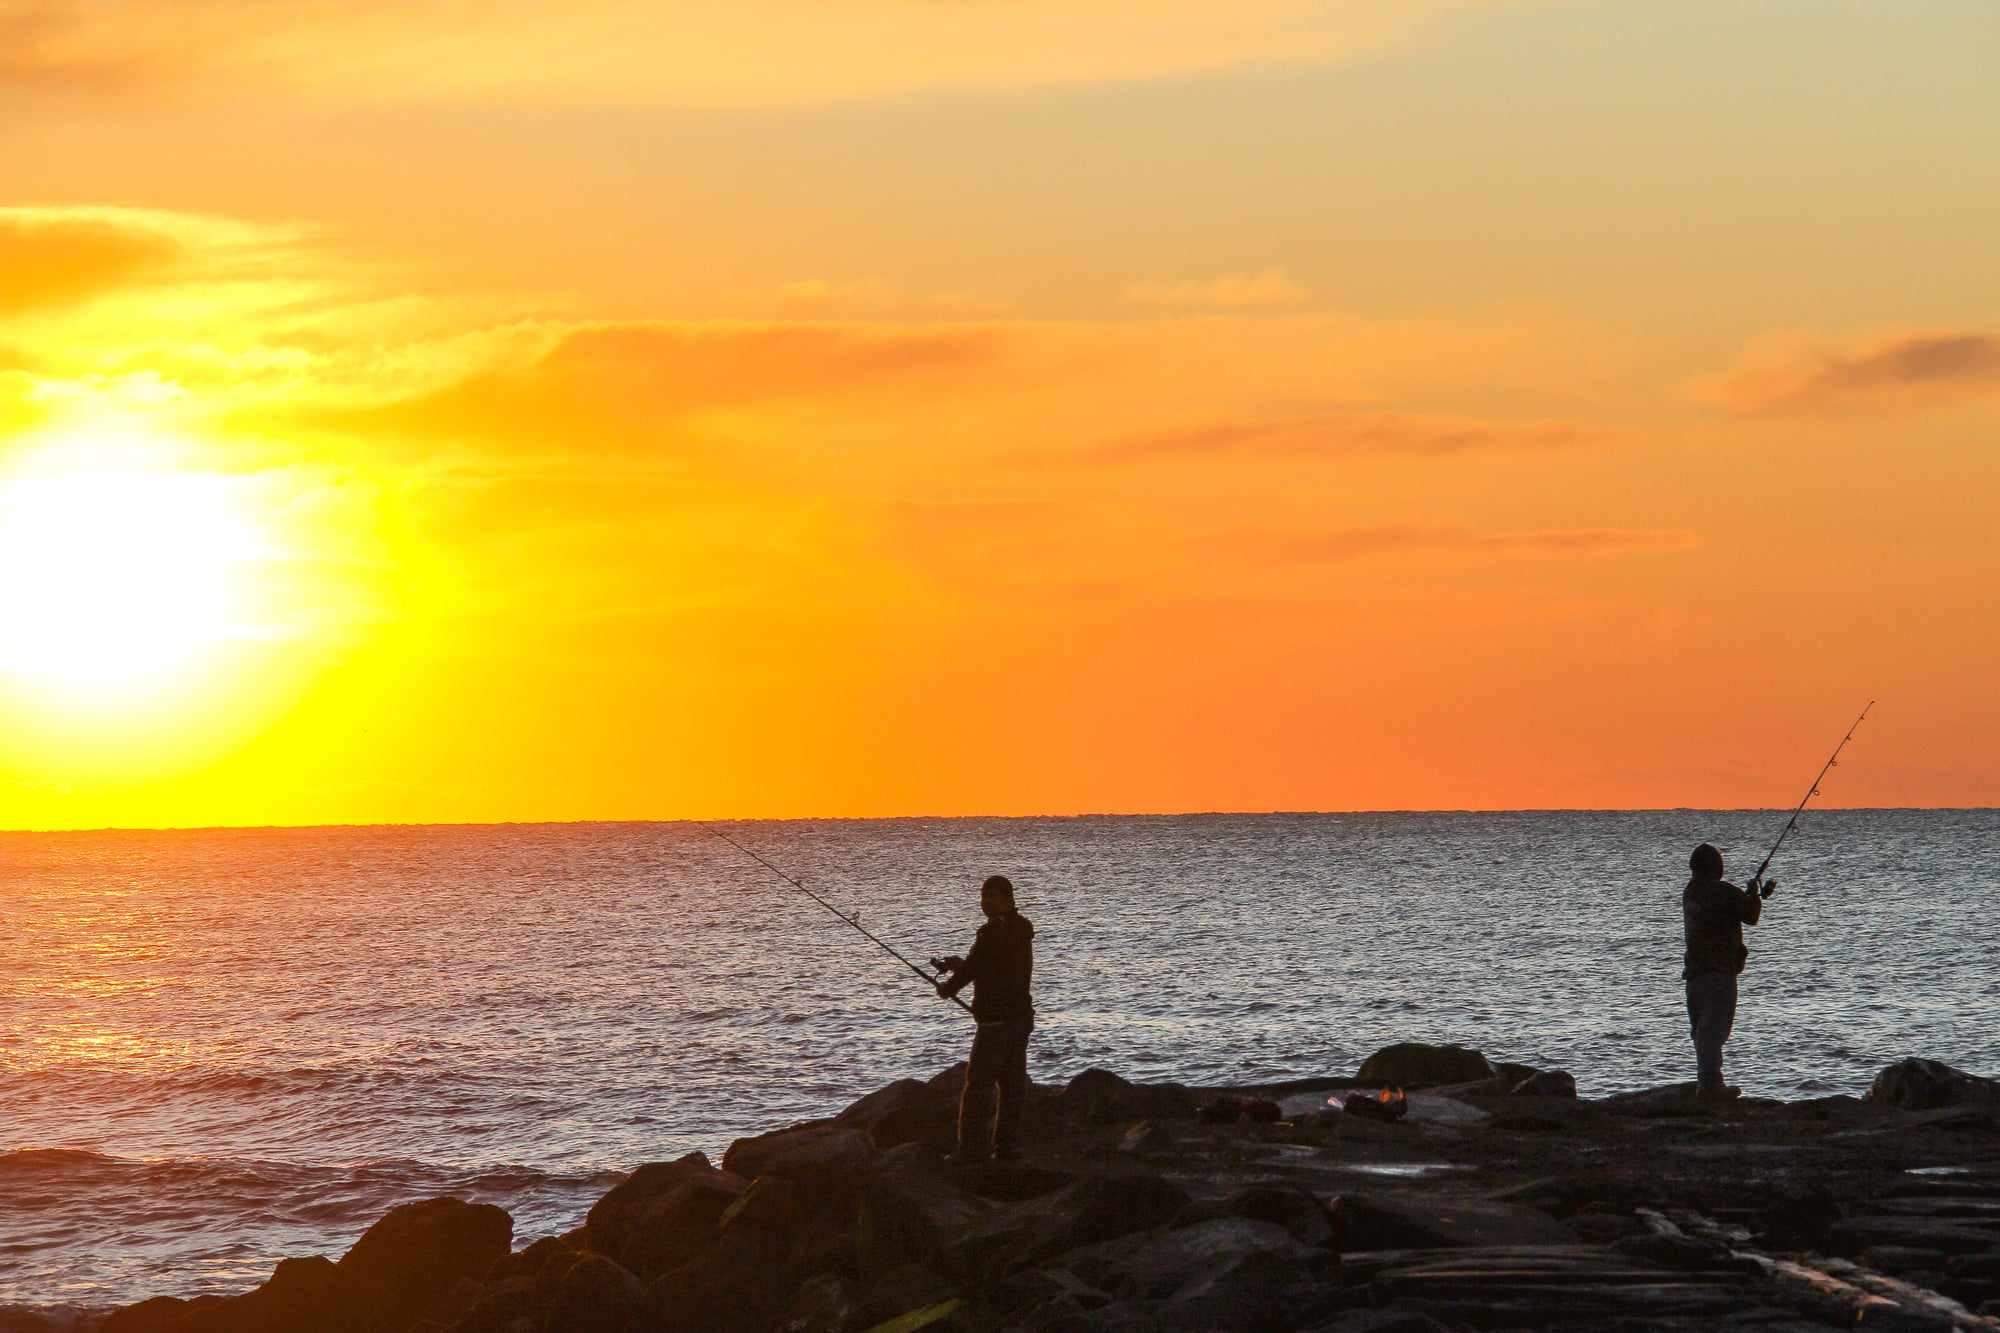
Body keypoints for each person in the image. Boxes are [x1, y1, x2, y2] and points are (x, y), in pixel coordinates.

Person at [932, 874, 1035, 1163]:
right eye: (983, 896)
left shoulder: (990, 933)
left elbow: (973, 969)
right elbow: (992, 969)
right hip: (1020, 1018)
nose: (986, 902)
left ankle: (971, 1149)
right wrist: (961, 967)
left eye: (993, 896)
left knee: (977, 1087)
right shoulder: (1021, 928)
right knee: (1012, 1086)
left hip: (995, 1024)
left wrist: (947, 989)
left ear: (1009, 899)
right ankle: (1005, 1147)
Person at [1682, 842, 1768, 1102]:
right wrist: (1753, 894)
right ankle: (1710, 1086)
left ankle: (1706, 1082)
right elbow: (1751, 916)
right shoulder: (1722, 891)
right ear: (1716, 868)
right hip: (1719, 973)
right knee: (1715, 1028)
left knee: (1701, 1030)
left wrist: (1750, 895)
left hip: (1694, 973)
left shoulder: (1690, 892)